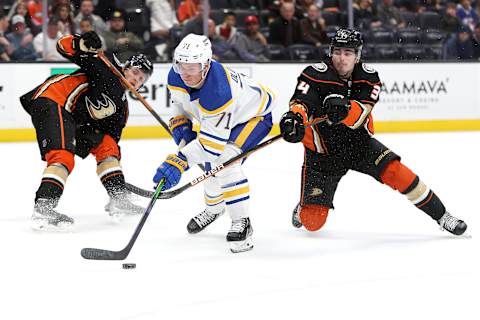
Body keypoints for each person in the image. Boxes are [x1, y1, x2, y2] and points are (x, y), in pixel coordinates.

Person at [279, 28, 467, 236]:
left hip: (358, 145)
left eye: (348, 53)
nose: (342, 59)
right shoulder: (313, 74)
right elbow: (301, 104)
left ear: (357, 56)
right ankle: (304, 205)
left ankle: (442, 216)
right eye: (338, 52)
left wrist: (346, 110)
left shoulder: (368, 77)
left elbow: (362, 115)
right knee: (312, 223)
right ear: (331, 52)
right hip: (322, 154)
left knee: (399, 173)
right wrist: (293, 118)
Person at [153, 34, 276, 253]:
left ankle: (242, 222)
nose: (186, 74)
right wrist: (181, 125)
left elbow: (211, 147)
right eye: (182, 66)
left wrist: (179, 161)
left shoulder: (218, 91)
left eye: (193, 68)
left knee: (225, 161)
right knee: (211, 168)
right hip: (229, 116)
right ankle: (215, 208)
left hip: (253, 116)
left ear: (207, 64)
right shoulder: (176, 75)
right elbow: (179, 103)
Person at [20, 31, 154, 231]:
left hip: (74, 119)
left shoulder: (122, 109)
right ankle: (44, 206)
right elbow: (64, 46)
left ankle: (118, 197)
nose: (136, 79)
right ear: (125, 68)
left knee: (108, 146)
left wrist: (115, 178)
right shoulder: (105, 68)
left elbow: (110, 144)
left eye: (141, 78)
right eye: (135, 72)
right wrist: (81, 42)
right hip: (54, 99)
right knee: (63, 156)